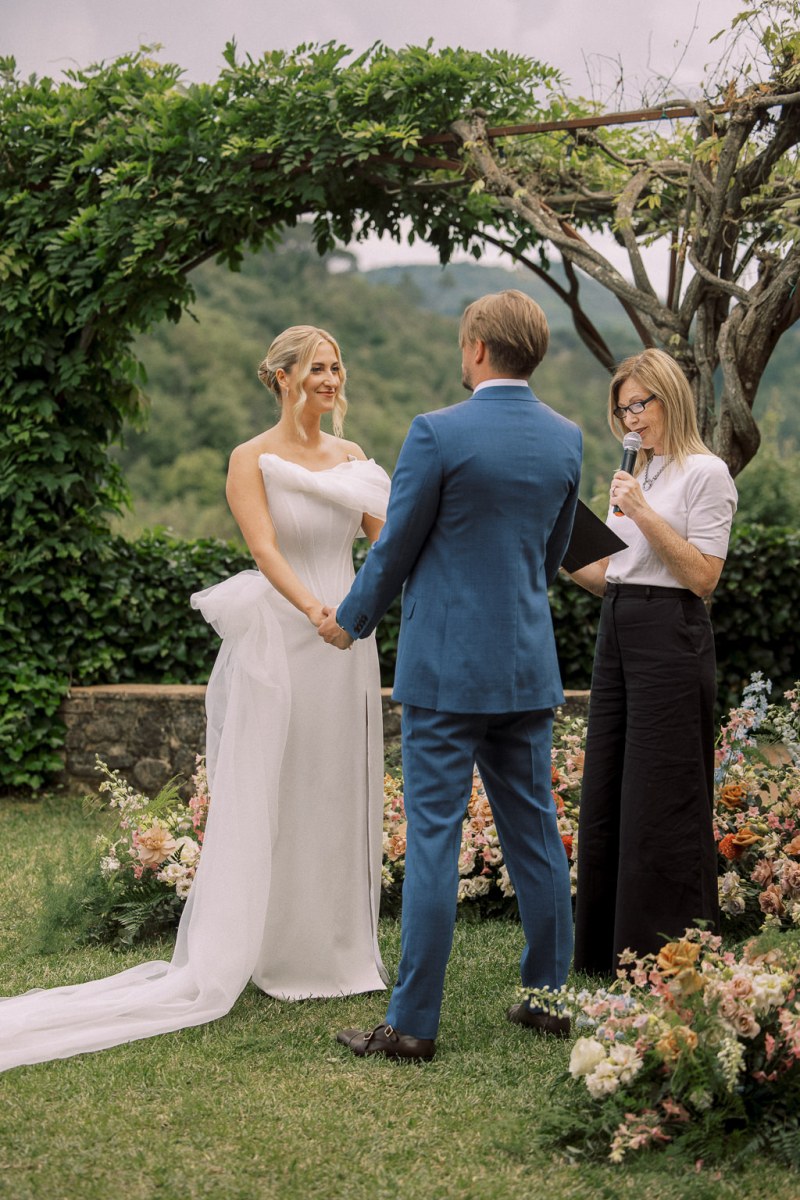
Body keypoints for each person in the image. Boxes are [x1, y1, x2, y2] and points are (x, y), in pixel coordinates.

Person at [0, 325, 389, 1072]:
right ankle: (271, 950)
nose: (330, 378)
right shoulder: (251, 458)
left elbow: (390, 541)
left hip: (351, 639)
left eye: (337, 366)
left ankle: (338, 952)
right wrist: (316, 610)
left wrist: (360, 611)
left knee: (335, 785)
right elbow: (265, 548)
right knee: (278, 784)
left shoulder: (355, 461)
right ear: (280, 377)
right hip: (292, 631)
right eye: (315, 367)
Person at [318, 290, 583, 1060]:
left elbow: (395, 548)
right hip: (526, 667)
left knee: (433, 840)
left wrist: (351, 617)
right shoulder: (567, 439)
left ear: (475, 348)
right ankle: (545, 1000)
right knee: (535, 834)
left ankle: (412, 1027)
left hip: (441, 670)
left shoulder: (436, 432)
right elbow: (549, 554)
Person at [568, 347, 737, 977]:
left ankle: (668, 955)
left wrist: (639, 510)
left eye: (640, 404)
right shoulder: (639, 474)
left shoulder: (704, 472)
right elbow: (615, 574)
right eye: (622, 410)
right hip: (619, 627)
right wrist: (557, 542)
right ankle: (604, 955)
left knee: (661, 795)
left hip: (671, 635)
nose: (631, 419)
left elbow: (701, 576)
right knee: (609, 787)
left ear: (671, 397)